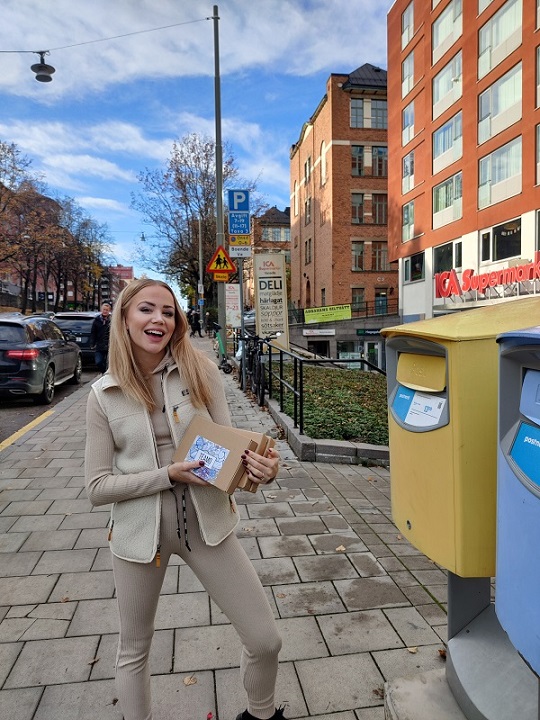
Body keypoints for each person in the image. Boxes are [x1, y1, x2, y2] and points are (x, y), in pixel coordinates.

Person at [84, 279, 284, 720]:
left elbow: (237, 454)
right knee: (134, 650)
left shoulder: (201, 372)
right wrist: (165, 476)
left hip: (207, 525)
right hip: (139, 535)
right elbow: (96, 487)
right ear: (124, 318)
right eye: (146, 310)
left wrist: (266, 470)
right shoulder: (103, 396)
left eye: (168, 312)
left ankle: (262, 715)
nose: (158, 319)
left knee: (265, 639)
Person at [90, 302, 112, 373]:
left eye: (107, 310)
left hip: (110, 346)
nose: (105, 311)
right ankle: (104, 372)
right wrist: (92, 344)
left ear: (109, 311)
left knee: (108, 363)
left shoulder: (112, 321)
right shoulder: (97, 321)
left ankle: (107, 375)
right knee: (98, 362)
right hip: (99, 345)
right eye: (104, 309)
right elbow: (93, 333)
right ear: (101, 310)